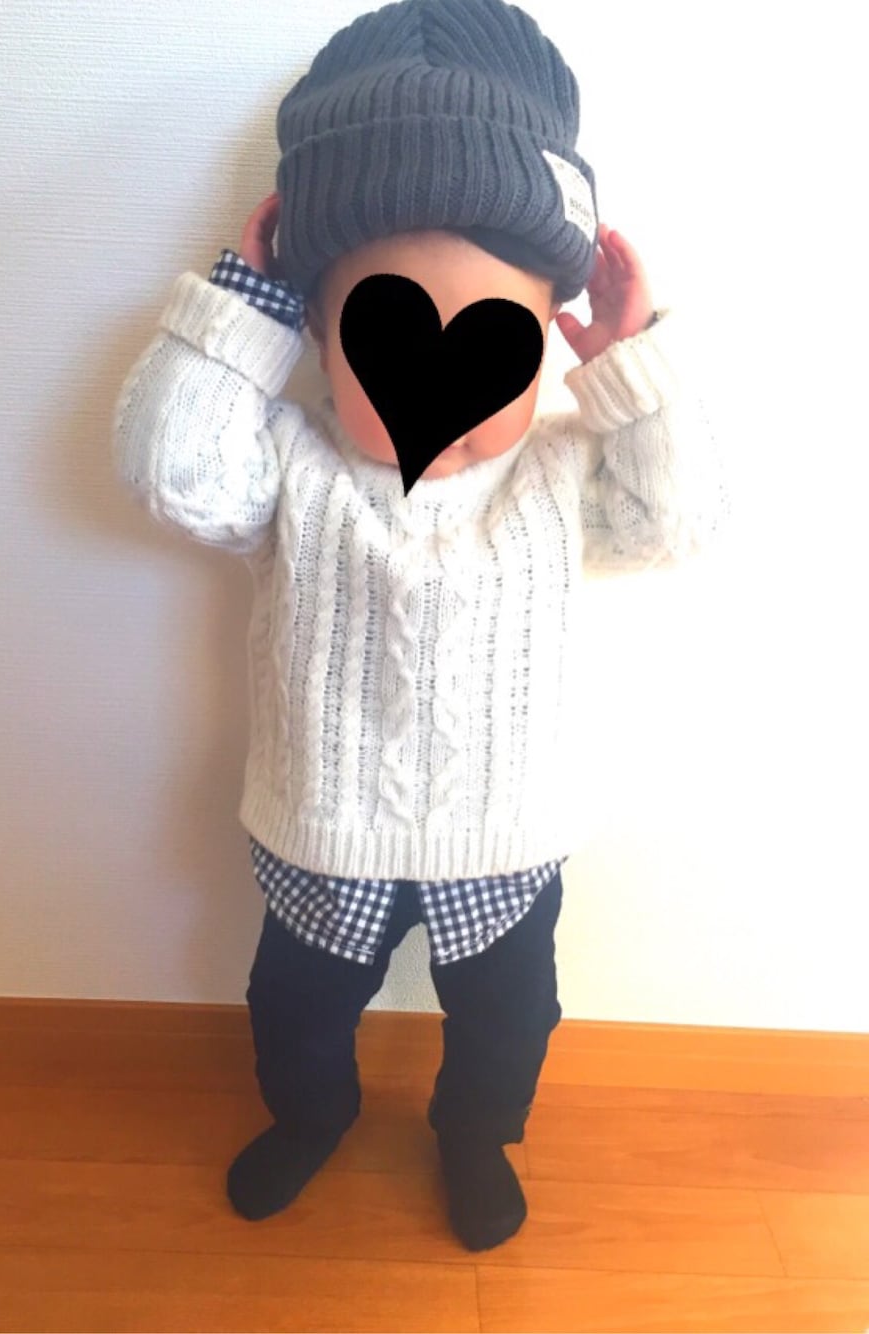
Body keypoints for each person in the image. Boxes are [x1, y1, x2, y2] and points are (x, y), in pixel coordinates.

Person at [111, 0, 732, 1253]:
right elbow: (171, 472)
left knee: (510, 1025)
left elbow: (677, 521)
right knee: (293, 1015)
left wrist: (630, 365)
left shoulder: (559, 472)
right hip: (319, 835)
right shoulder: (291, 466)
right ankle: (313, 1115)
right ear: (318, 333)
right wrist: (244, 305)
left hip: (506, 846)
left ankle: (473, 1134)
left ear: (546, 340)